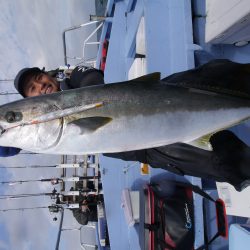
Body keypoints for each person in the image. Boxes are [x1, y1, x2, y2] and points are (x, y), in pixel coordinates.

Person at [3, 59, 250, 190]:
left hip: (154, 96)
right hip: (150, 147)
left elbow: (91, 78)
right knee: (228, 163)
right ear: (29, 103)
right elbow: (17, 142)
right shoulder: (39, 132)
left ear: (47, 75)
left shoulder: (74, 76)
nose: (41, 86)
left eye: (39, 78)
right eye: (33, 90)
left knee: (214, 74)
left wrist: (87, 98)